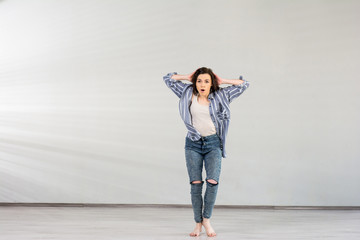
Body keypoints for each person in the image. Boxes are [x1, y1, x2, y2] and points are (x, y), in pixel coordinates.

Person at [163, 67, 250, 237]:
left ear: (212, 83)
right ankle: (197, 224)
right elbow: (168, 79)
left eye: (206, 81)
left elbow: (244, 84)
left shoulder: (221, 95)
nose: (202, 84)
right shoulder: (187, 92)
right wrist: (187, 77)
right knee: (195, 185)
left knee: (212, 182)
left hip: (213, 144)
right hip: (193, 144)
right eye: (199, 81)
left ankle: (206, 220)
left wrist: (223, 80)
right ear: (195, 82)